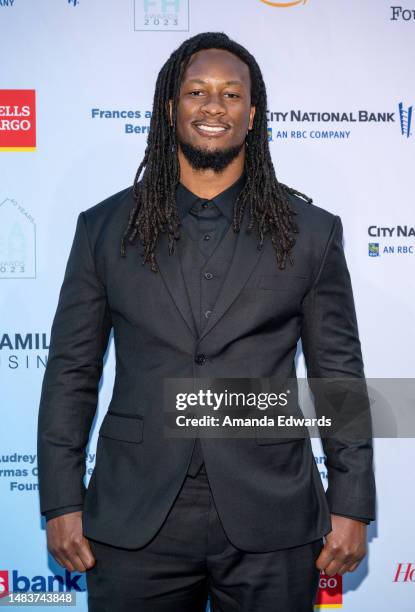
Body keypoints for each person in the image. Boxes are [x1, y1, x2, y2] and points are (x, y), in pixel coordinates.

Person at [37, 31, 376, 611]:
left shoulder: (311, 233)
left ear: (252, 113)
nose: (213, 106)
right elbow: (72, 373)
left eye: (230, 94)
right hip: (133, 516)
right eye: (197, 92)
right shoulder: (103, 229)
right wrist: (61, 501)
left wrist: (351, 505)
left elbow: (337, 379)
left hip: (272, 515)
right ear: (171, 109)